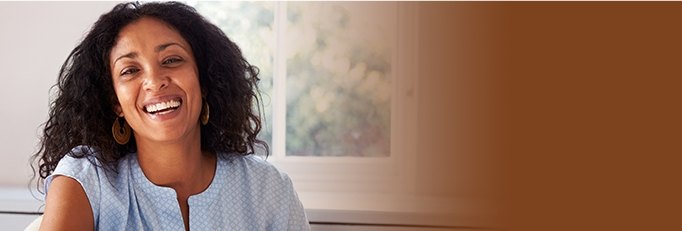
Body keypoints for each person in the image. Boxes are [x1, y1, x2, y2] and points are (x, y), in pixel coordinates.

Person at [32, 1, 309, 230]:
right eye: (130, 70)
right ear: (115, 101)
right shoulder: (87, 180)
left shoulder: (269, 189)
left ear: (204, 80)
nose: (155, 80)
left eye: (172, 60)